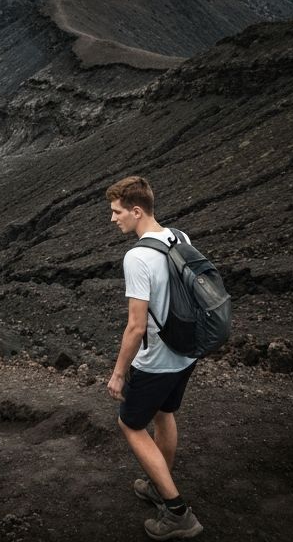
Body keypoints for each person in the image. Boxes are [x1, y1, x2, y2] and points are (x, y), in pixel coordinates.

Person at [106, 176, 203, 540]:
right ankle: (157, 484)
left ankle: (177, 512)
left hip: (157, 360)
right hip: (185, 354)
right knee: (164, 414)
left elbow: (135, 327)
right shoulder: (179, 237)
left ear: (135, 210)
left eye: (116, 212)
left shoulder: (137, 257)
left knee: (130, 425)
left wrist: (118, 374)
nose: (113, 219)